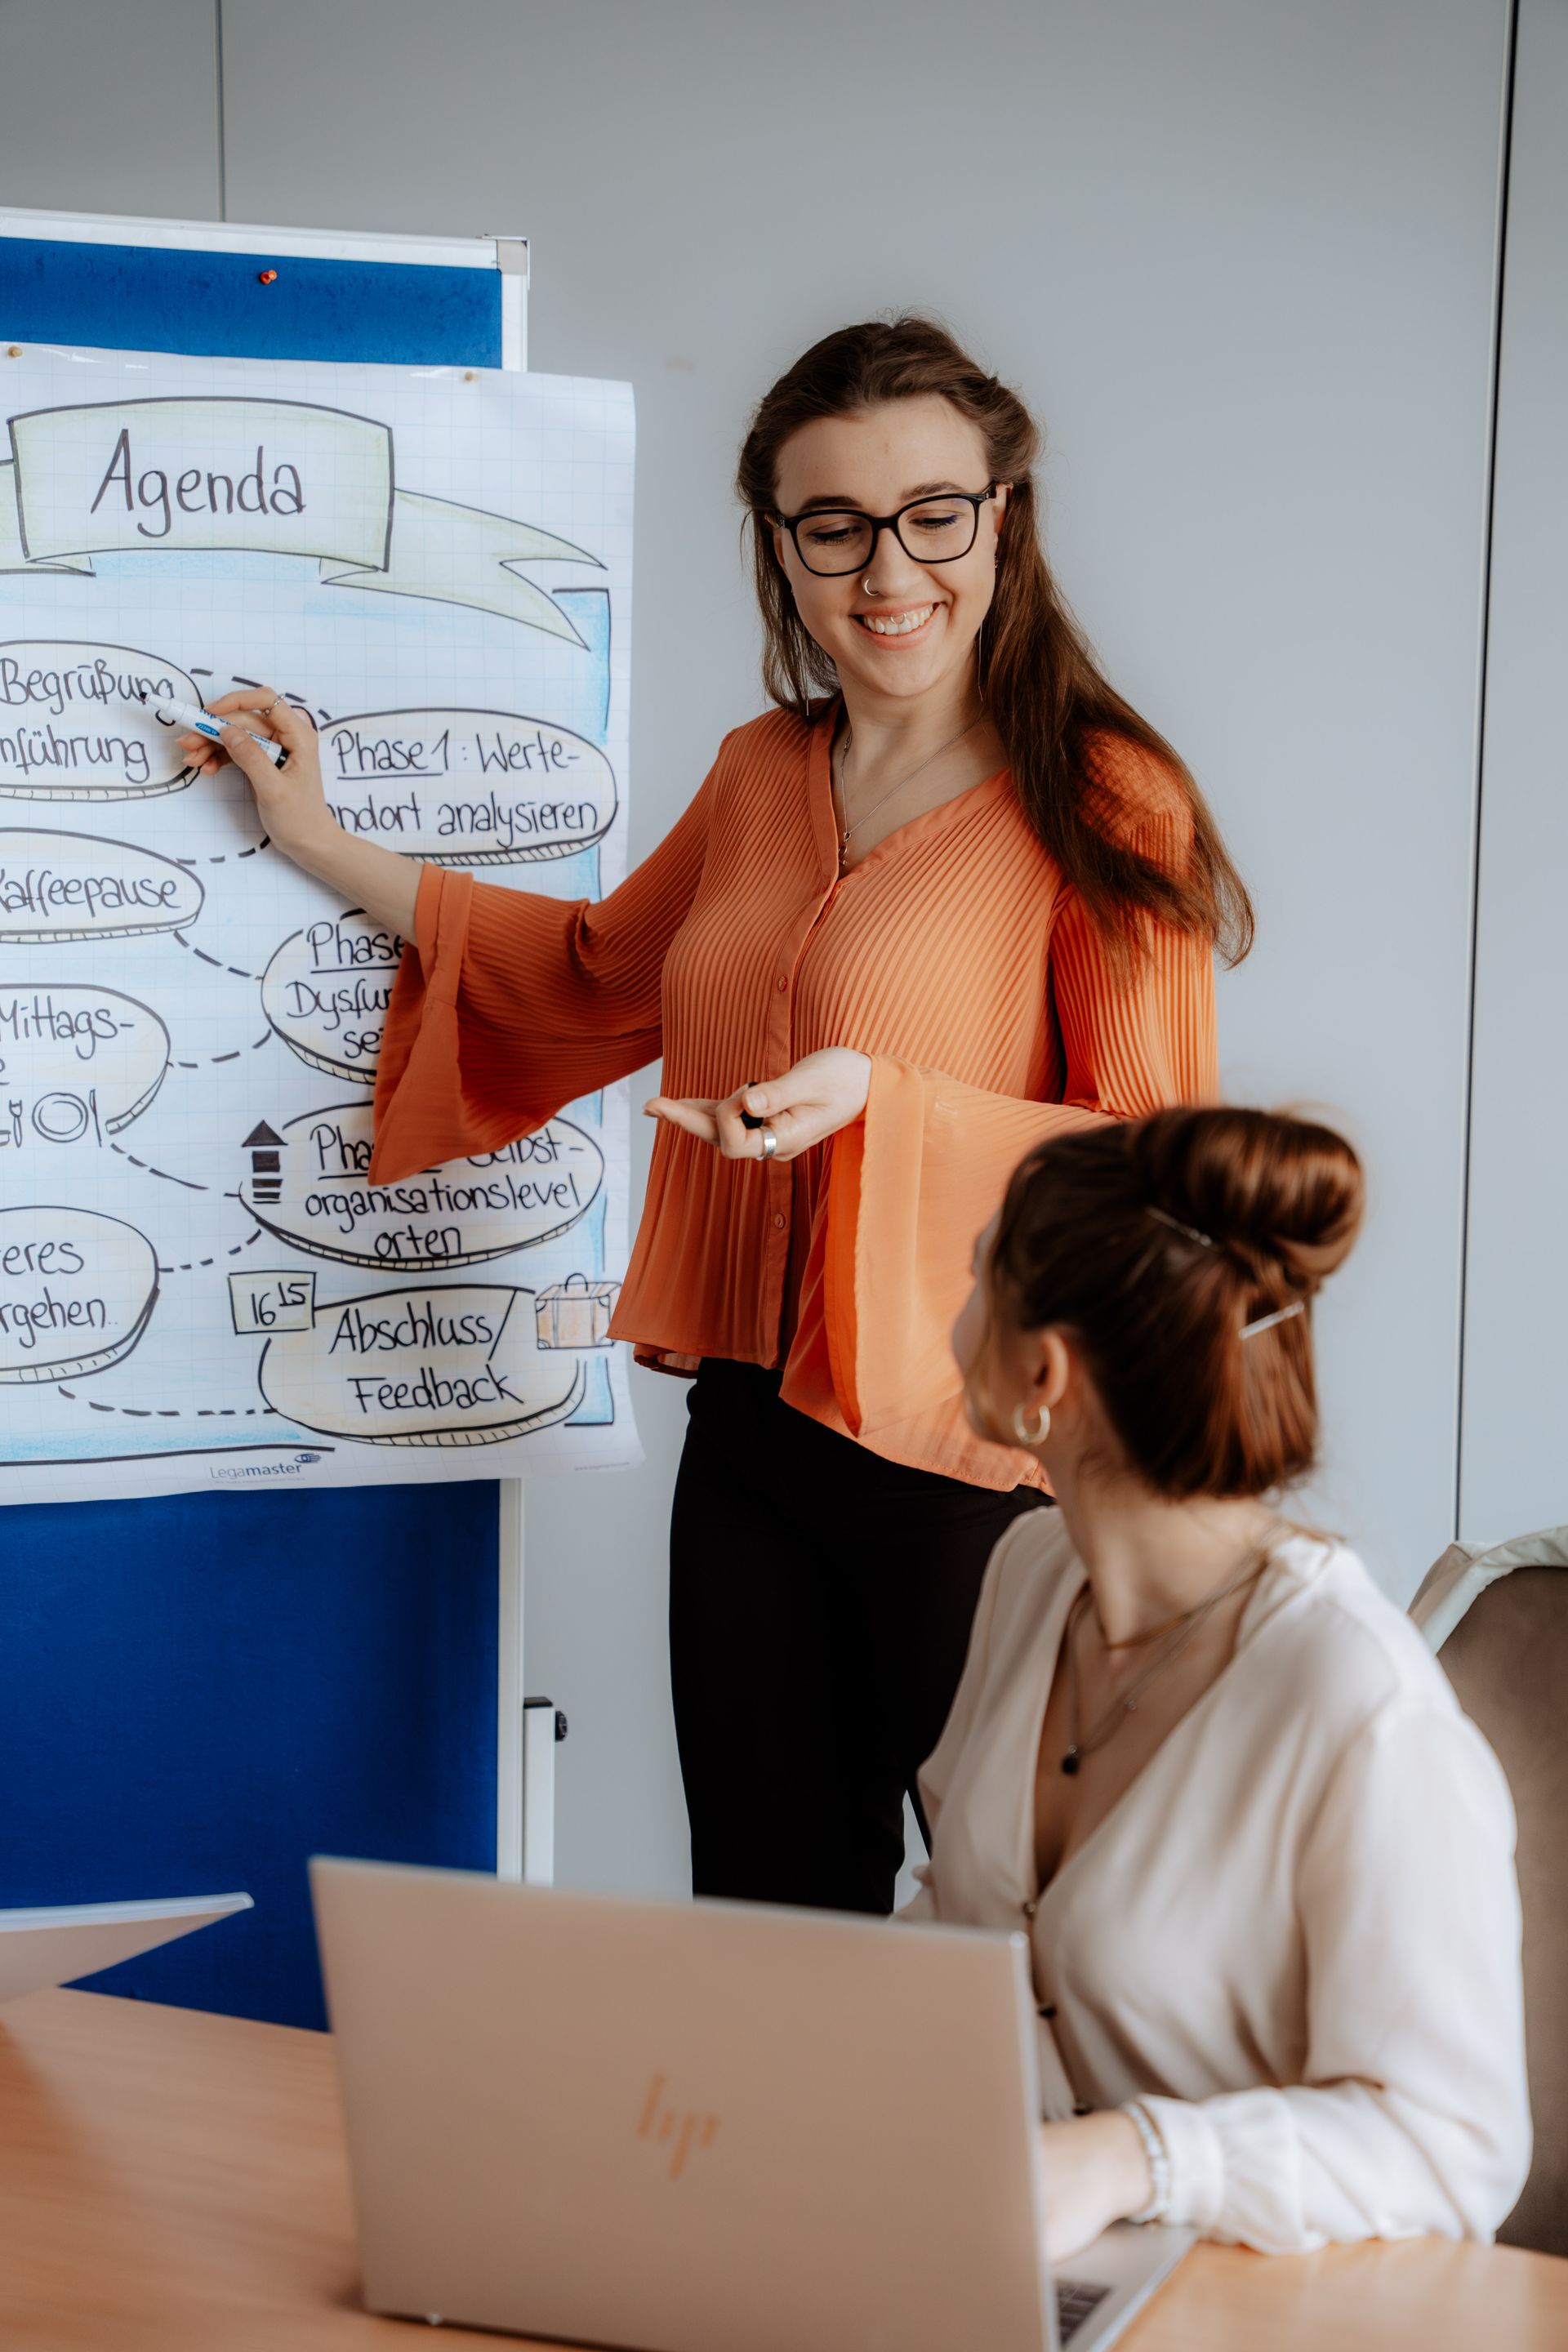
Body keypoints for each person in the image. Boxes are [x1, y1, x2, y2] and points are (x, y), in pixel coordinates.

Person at [180, 315, 1251, 1915]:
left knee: (1012, 1933)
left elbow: (1163, 1173)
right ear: (781, 547)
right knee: (762, 1921)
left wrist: (887, 1101)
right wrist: (319, 840)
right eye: (835, 527)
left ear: (1003, 520)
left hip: (978, 1460)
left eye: (931, 516)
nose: (888, 573)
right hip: (747, 1442)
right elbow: (590, 972)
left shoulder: (1105, 799)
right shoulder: (759, 773)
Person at [911, 1102, 1530, 2259]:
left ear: (1044, 1371)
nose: (952, 1327)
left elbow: (1454, 2154)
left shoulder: (1362, 1711)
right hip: (1005, 2282)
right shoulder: (1032, 1577)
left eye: (974, 1283)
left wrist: (1132, 2158)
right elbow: (955, 1920)